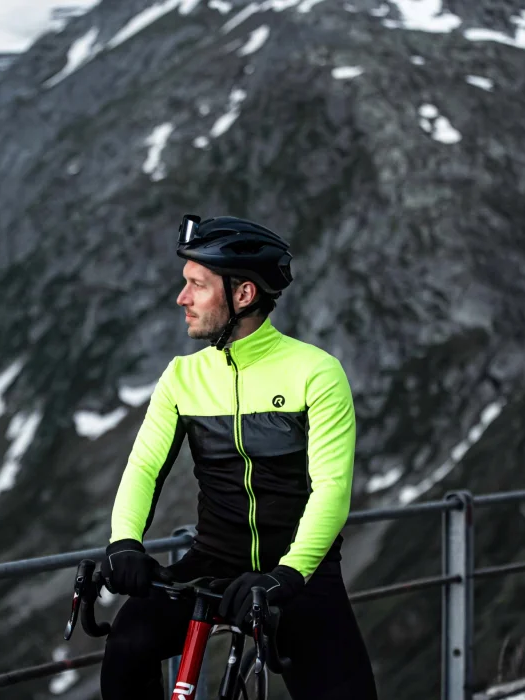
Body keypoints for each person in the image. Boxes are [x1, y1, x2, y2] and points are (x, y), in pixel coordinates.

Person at [98, 214, 378, 699]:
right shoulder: (182, 377)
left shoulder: (315, 372)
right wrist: (124, 541)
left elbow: (331, 489)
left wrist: (288, 576)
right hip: (212, 561)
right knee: (126, 647)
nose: (181, 298)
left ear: (243, 294)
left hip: (297, 571)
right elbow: (144, 467)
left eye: (197, 286)